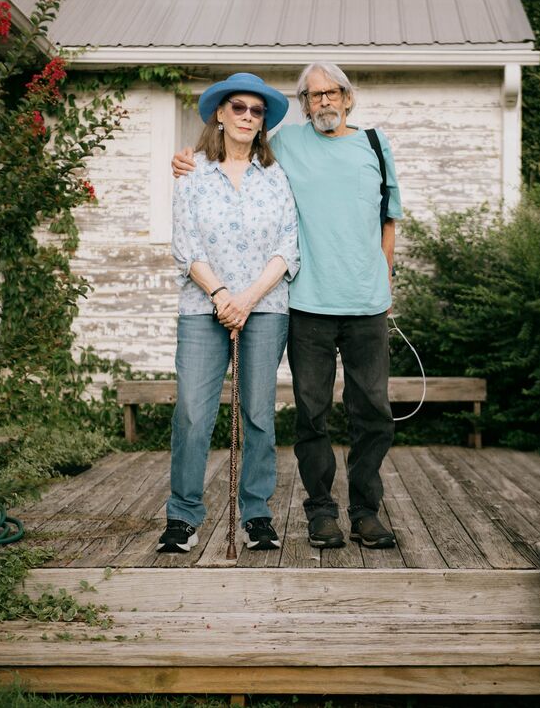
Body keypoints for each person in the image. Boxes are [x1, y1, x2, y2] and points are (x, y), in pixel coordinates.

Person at [172, 63, 402, 550]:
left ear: (348, 96)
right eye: (313, 96)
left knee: (372, 413)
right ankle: (318, 512)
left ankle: (363, 512)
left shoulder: (371, 148)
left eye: (331, 93)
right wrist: (183, 159)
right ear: (302, 105)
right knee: (307, 415)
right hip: (306, 306)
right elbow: (192, 225)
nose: (323, 102)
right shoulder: (282, 150)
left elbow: (388, 221)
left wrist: (384, 281)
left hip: (355, 305)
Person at [157, 73, 299, 555]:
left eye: (256, 111)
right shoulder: (191, 171)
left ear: (263, 124)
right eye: (237, 107)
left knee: (258, 413)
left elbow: (287, 247)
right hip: (203, 307)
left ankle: (256, 515)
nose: (246, 116)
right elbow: (184, 245)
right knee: (194, 413)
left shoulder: (276, 176)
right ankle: (182, 517)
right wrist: (220, 294)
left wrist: (247, 299)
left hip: (264, 308)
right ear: (219, 114)